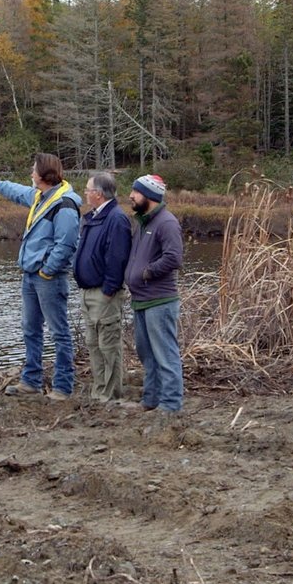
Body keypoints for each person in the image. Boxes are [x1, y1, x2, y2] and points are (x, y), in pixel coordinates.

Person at [0, 154, 82, 400]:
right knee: (30, 329)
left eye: (33, 170)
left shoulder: (64, 205)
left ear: (44, 176)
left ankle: (63, 387)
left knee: (59, 332)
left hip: (48, 278)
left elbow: (66, 244)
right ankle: (31, 380)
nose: (31, 174)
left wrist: (47, 270)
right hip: (31, 275)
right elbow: (18, 192)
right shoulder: (40, 197)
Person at [124, 174, 185, 414]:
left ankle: (170, 404)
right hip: (141, 299)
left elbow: (174, 258)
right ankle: (151, 400)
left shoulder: (166, 223)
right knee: (146, 354)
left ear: (149, 195)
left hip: (160, 299)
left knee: (165, 354)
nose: (131, 195)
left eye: (135, 192)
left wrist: (147, 273)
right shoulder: (142, 222)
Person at [73, 171, 132, 402]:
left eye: (88, 190)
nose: (85, 193)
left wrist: (109, 289)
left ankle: (110, 395)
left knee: (108, 346)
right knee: (93, 344)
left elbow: (117, 258)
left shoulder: (115, 218)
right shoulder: (94, 217)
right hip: (88, 292)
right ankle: (100, 391)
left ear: (98, 194)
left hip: (104, 294)